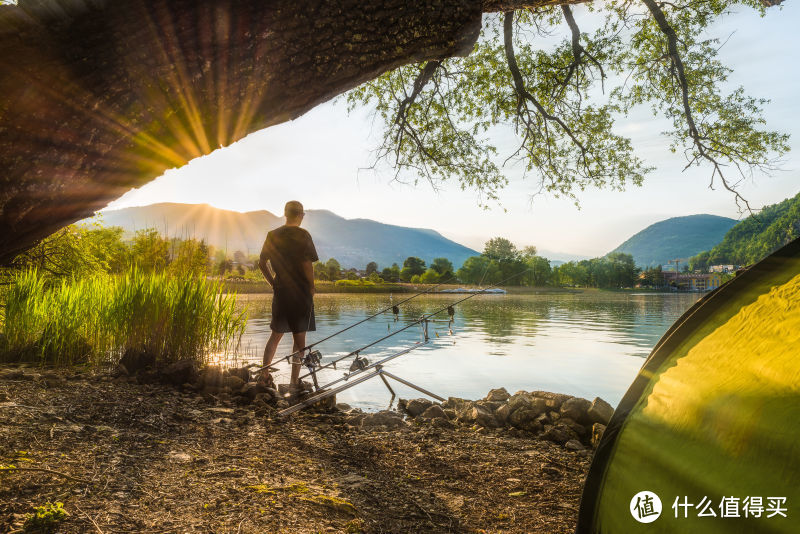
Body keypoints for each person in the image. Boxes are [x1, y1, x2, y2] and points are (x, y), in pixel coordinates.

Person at [258, 200, 318, 395]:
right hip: (300, 293)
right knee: (299, 339)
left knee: (275, 335)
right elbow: (307, 264)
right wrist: (311, 287)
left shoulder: (272, 235)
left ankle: (264, 375)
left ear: (285, 214)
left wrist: (273, 283)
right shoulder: (303, 235)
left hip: (281, 291)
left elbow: (261, 263)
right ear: (300, 215)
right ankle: (294, 382)